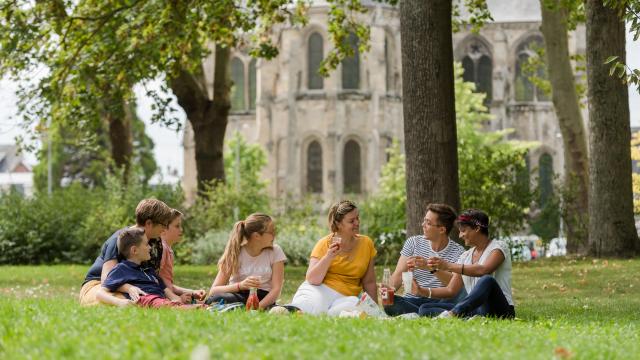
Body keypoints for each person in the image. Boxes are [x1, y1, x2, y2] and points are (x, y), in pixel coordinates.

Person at [415, 209, 515, 319]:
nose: (460, 235)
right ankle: (465, 318)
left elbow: (483, 270)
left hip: (499, 310)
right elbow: (451, 290)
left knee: (487, 280)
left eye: (463, 231)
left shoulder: (499, 247)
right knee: (425, 308)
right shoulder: (465, 256)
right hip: (475, 309)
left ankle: (454, 314)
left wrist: (447, 265)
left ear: (477, 228)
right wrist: (422, 291)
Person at [285, 200, 377, 316]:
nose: (357, 223)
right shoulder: (324, 244)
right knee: (313, 309)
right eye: (351, 221)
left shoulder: (366, 243)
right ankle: (287, 311)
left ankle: (326, 313)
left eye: (357, 218)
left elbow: (369, 282)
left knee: (355, 306)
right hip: (319, 290)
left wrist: (375, 310)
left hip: (347, 296)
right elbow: (313, 279)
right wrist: (328, 257)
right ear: (339, 224)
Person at [79, 198, 172, 306]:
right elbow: (106, 279)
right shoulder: (119, 239)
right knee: (127, 300)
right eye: (163, 225)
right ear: (149, 223)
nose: (165, 229)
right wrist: (129, 288)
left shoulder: (154, 243)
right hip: (99, 284)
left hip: (128, 285)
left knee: (147, 298)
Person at [381, 203, 465, 316]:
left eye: (428, 223)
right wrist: (388, 291)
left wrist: (430, 267)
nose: (423, 225)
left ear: (442, 229)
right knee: (390, 303)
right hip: (412, 300)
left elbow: (454, 286)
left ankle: (421, 313)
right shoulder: (413, 243)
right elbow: (398, 274)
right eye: (424, 220)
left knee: (435, 306)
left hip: (440, 301)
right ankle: (428, 314)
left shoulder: (459, 252)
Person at [96, 228, 201, 308]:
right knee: (153, 300)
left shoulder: (149, 271)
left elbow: (168, 293)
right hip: (146, 300)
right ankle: (190, 308)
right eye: (146, 244)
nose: (150, 247)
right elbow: (100, 293)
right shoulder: (122, 269)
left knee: (192, 304)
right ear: (134, 250)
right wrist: (119, 302)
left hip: (162, 301)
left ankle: (202, 307)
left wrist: (180, 299)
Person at [205, 213, 286, 310]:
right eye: (271, 231)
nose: (274, 234)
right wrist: (241, 285)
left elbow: (276, 289)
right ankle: (237, 307)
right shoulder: (235, 252)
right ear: (257, 236)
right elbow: (214, 291)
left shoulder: (275, 251)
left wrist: (257, 307)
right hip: (237, 296)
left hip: (263, 298)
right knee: (215, 299)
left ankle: (237, 308)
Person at [158, 209, 206, 303]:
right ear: (164, 229)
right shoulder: (163, 249)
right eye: (177, 226)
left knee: (203, 302)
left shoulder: (168, 249)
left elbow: (169, 286)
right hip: (162, 298)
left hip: (167, 296)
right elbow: (155, 280)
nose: (181, 229)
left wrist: (193, 292)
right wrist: (176, 298)